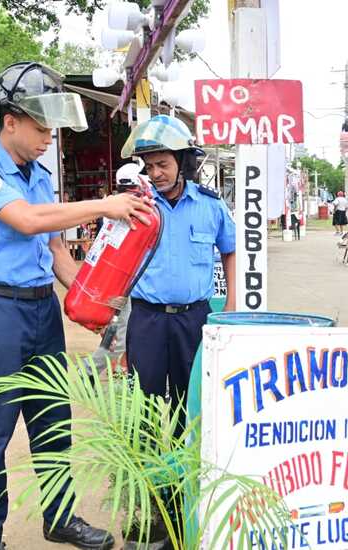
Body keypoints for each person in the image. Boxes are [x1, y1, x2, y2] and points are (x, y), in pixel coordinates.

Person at [0, 61, 152, 550]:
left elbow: (56, 251)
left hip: (41, 310)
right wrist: (103, 205)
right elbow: (25, 221)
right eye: (41, 128)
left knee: (53, 422)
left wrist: (99, 311)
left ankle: (60, 517)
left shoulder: (39, 176)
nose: (49, 138)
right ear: (10, 122)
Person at [121, 114, 236, 429]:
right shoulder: (135, 206)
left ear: (182, 162)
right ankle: (149, 476)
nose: (155, 173)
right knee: (144, 406)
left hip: (193, 319)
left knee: (193, 400)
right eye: (149, 166)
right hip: (147, 320)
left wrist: (232, 303)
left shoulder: (210, 206)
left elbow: (230, 249)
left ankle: (186, 476)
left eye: (163, 164)